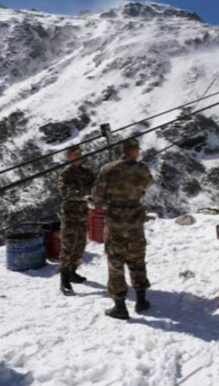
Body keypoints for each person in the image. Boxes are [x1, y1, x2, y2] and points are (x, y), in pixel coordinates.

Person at [92, 137, 154, 320]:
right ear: (134, 151)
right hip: (135, 219)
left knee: (116, 263)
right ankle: (141, 300)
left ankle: (120, 306)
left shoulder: (107, 169)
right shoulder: (142, 169)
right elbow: (148, 184)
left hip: (115, 221)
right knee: (137, 259)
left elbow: (97, 195)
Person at [57, 144, 95, 296]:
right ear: (69, 156)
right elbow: (65, 192)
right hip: (70, 214)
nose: (78, 156)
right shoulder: (66, 173)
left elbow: (94, 186)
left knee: (80, 245)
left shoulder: (86, 172)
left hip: (83, 214)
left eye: (80, 153)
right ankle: (64, 279)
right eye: (74, 154)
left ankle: (72, 271)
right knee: (68, 246)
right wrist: (82, 195)